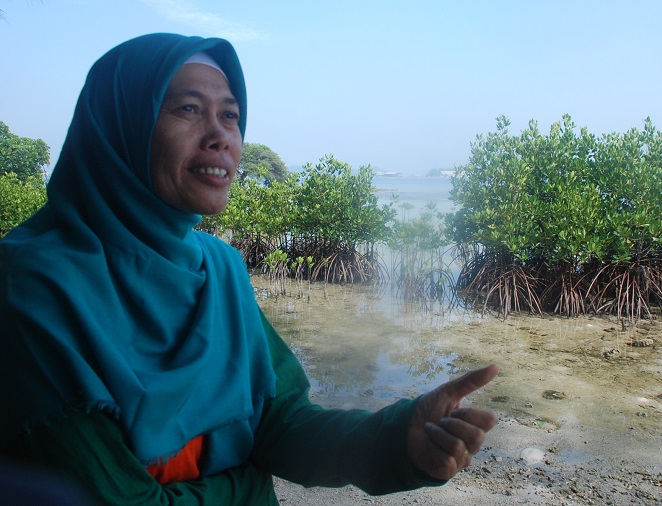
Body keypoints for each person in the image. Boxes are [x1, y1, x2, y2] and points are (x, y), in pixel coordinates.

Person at [0, 33, 499, 504]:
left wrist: (396, 438)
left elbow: (277, 421)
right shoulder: (31, 287)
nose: (220, 136)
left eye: (231, 115)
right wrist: (249, 487)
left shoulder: (221, 269)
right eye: (189, 109)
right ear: (121, 124)